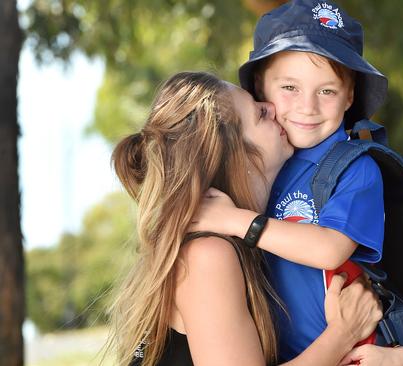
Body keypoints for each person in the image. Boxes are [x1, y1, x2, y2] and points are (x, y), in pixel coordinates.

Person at [190, 1, 403, 365]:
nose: (307, 107)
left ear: (350, 96)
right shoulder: (261, 162)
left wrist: (235, 220)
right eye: (290, 87)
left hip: (351, 353)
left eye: (326, 91)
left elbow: (329, 249)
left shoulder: (354, 168)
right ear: (261, 87)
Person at [104, 71, 383, 366]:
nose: (273, 108)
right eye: (260, 114)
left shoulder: (232, 242)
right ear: (237, 154)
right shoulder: (207, 255)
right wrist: (343, 333)